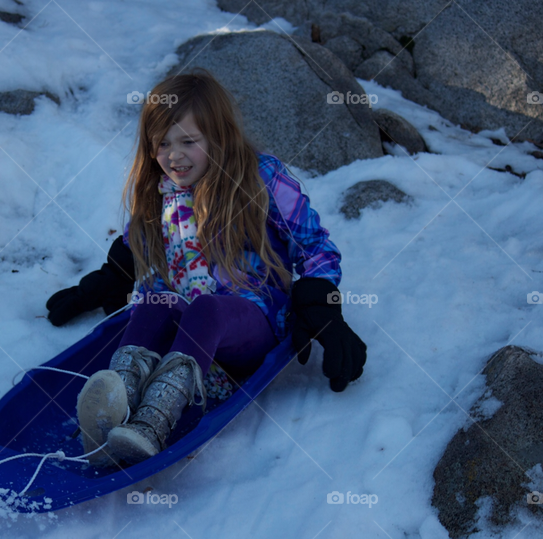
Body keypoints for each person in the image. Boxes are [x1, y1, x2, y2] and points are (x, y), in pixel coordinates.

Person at [63, 68, 366, 466]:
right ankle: (115, 406)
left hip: (248, 323)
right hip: (181, 332)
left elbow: (315, 245)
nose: (173, 155)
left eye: (188, 141)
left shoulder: (258, 179)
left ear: (219, 137)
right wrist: (109, 278)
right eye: (162, 144)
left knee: (206, 309)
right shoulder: (159, 194)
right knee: (154, 302)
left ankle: (150, 426)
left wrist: (321, 302)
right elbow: (136, 246)